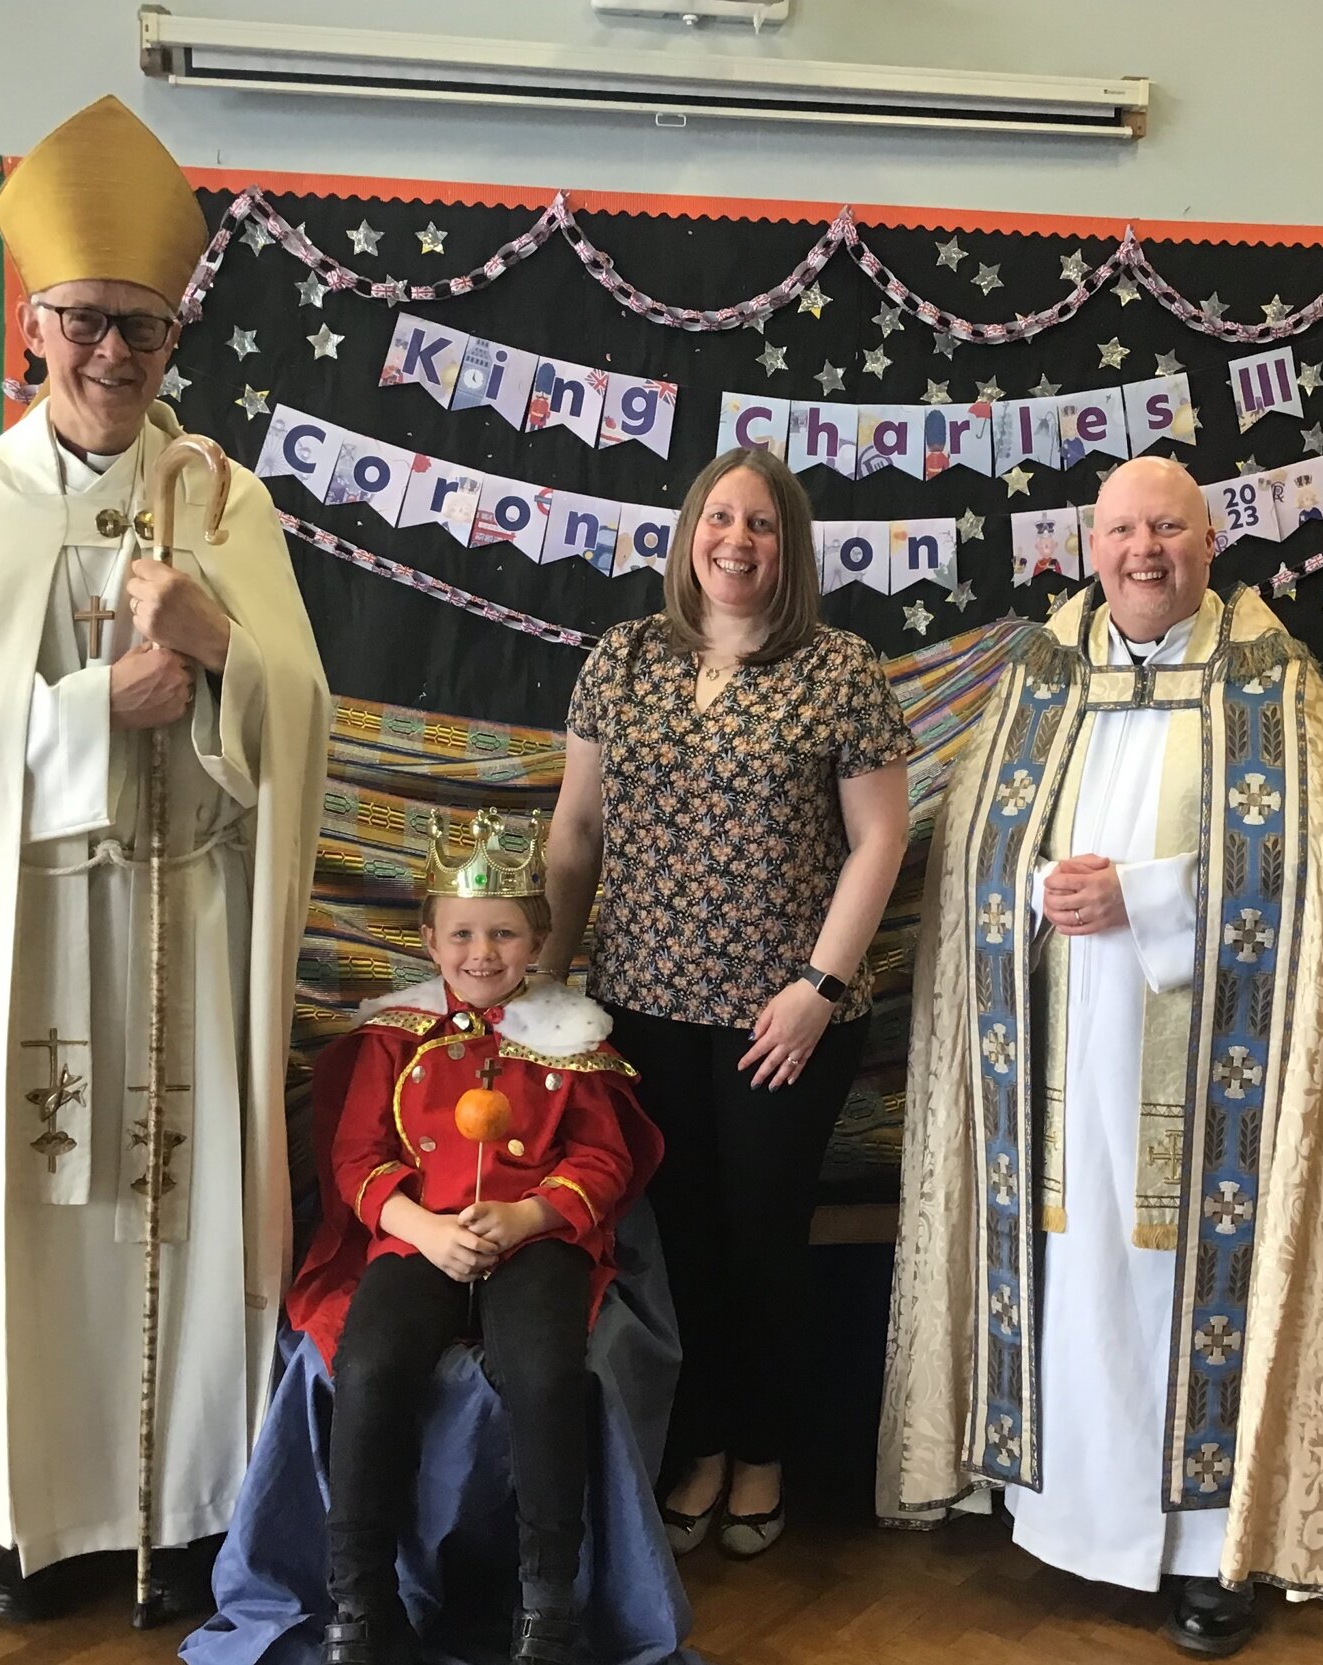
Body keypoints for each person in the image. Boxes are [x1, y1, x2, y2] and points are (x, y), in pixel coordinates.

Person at [0, 95, 332, 1622]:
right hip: (27, 937)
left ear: (177, 343)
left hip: (188, 923)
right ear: (35, 323)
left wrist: (216, 639)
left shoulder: (228, 504)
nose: (115, 357)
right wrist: (94, 705)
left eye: (147, 333)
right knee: (42, 1233)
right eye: (90, 323)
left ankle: (183, 1525)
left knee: (174, 1218)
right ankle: (43, 1527)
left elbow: (302, 715)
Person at [879, 456, 1323, 1654]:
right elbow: (967, 866)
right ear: (1085, 547)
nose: (1141, 551)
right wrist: (1031, 883)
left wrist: (1146, 896)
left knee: (1180, 1295)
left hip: (1214, 1068)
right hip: (1050, 1056)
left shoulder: (1270, 682)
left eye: (1166, 528)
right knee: (1068, 1273)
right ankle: (1053, 1513)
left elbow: (1305, 883)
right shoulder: (1041, 675)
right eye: (1120, 531)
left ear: (1208, 543)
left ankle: (1208, 1554)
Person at [541, 447, 912, 1559]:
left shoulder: (839, 669)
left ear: (786, 546)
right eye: (718, 518)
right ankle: (694, 1443)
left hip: (780, 1027)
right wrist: (548, 979)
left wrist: (816, 986)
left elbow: (879, 838)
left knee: (760, 1243)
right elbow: (574, 831)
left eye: (758, 524)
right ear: (689, 533)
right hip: (637, 1009)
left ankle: (762, 1451)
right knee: (677, 1240)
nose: (735, 541)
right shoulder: (623, 659)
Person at [285, 809, 663, 1665]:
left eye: (504, 932)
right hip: (420, 1239)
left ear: (537, 939)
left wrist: (532, 1215)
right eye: (461, 933)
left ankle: (546, 1604)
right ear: (428, 939)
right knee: (371, 1363)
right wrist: (421, 1227)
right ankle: (361, 1601)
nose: (481, 953)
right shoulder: (394, 1035)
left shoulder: (575, 1040)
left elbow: (603, 1159)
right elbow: (358, 1161)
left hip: (536, 1243)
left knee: (542, 1371)